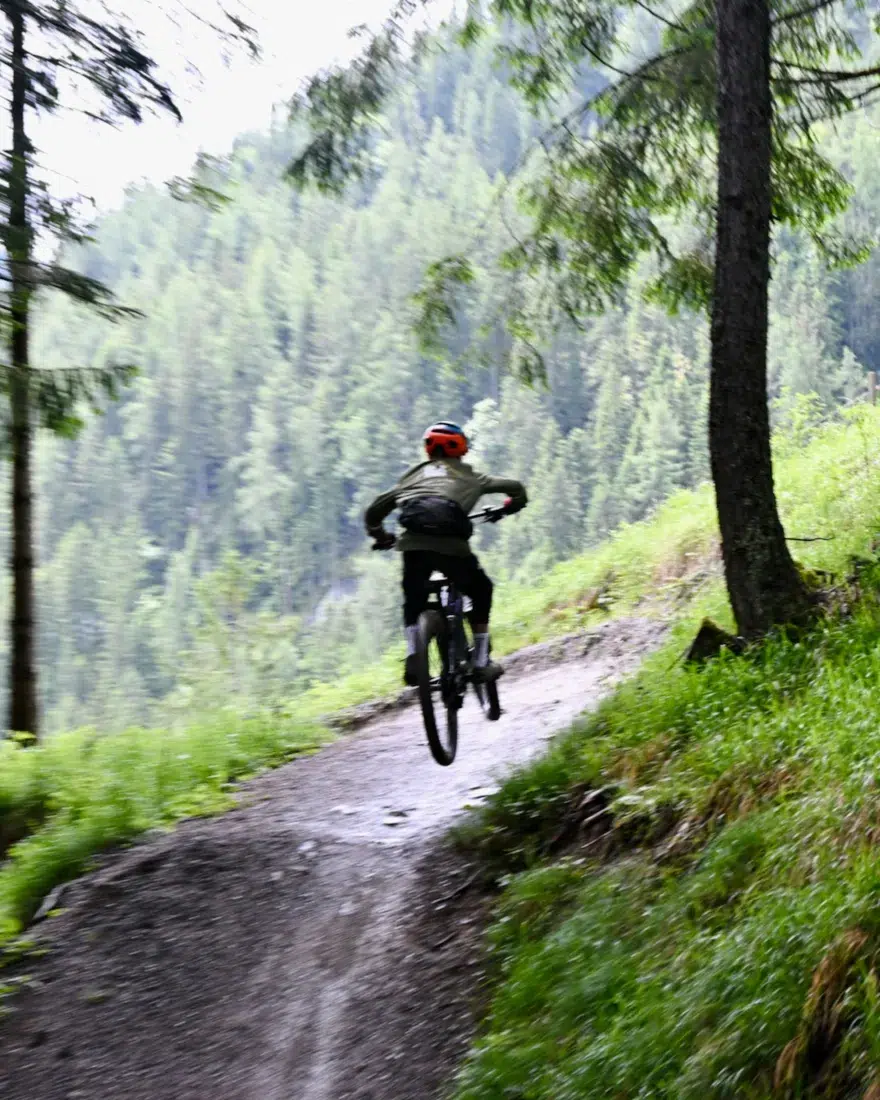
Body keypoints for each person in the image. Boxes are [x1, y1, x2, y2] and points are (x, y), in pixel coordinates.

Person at [364, 421, 528, 687]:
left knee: (413, 599)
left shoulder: (411, 477)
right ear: (461, 450)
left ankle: (414, 652)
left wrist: (381, 537)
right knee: (481, 589)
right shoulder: (471, 477)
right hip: (452, 546)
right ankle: (481, 660)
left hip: (413, 545)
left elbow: (373, 512)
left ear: (428, 451)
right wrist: (510, 506)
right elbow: (516, 487)